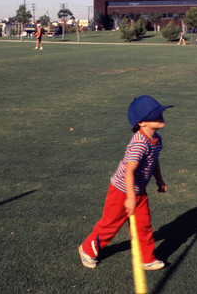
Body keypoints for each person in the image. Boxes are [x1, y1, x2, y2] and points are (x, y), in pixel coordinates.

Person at [79, 95, 172, 270]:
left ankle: (147, 259)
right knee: (111, 224)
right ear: (141, 123)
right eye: (155, 114)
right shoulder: (139, 144)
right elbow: (129, 170)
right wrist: (130, 197)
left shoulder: (156, 140)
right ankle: (87, 250)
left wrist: (159, 180)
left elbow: (154, 161)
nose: (161, 116)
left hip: (138, 190)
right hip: (121, 191)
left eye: (161, 112)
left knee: (143, 225)